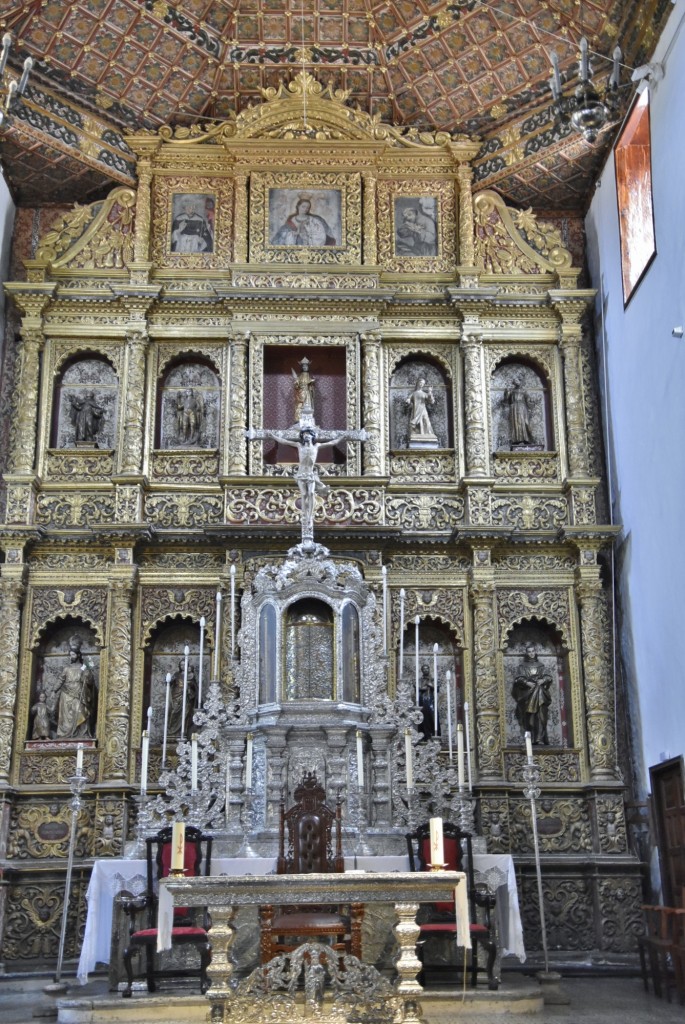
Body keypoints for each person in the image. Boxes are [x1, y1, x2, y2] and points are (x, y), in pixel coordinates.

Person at [246, 421, 367, 550]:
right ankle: (305, 516)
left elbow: (331, 443)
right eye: (305, 435)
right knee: (304, 494)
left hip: (310, 474)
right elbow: (285, 442)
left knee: (311, 494)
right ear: (302, 436)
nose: (307, 436)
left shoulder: (317, 446)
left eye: (309, 435)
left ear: (312, 436)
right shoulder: (299, 445)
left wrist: (343, 436)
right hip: (301, 474)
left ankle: (309, 515)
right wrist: (272, 436)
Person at [511, 642, 553, 745]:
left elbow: (548, 677)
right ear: (526, 653)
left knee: (541, 717)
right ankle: (532, 739)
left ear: (535, 652)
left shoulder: (541, 666)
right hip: (527, 694)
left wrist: (543, 680)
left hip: (540, 695)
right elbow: (518, 679)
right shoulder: (522, 666)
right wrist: (527, 682)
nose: (531, 653)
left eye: (533, 651)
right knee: (530, 718)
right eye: (529, 652)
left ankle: (540, 738)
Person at [55, 636, 96, 739]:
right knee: (66, 716)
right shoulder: (67, 668)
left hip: (79, 693)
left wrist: (87, 676)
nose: (71, 657)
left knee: (80, 711)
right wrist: (54, 690)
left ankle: (82, 733)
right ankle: (65, 735)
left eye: (73, 655)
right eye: (70, 655)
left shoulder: (84, 668)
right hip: (66, 693)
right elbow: (60, 680)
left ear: (78, 655)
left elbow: (90, 681)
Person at [271, 196, 336, 247]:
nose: (305, 209)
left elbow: (319, 234)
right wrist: (292, 234)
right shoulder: (291, 220)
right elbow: (282, 236)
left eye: (307, 207)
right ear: (298, 206)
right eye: (303, 206)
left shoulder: (313, 220)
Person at [168, 659, 198, 739]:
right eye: (181, 665)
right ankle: (171, 731)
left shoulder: (191, 675)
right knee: (174, 712)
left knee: (186, 713)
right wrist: (169, 681)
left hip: (187, 696)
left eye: (184, 664)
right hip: (177, 694)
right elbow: (170, 683)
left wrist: (190, 684)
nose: (183, 666)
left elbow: (195, 687)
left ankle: (182, 732)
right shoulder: (177, 674)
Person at [503, 374, 534, 446]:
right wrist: (506, 393)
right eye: (515, 381)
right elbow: (506, 401)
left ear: (521, 382)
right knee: (516, 424)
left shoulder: (524, 391)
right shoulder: (511, 391)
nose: (516, 382)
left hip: (522, 408)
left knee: (524, 423)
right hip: (514, 408)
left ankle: (526, 439)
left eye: (518, 380)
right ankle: (516, 440)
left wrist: (531, 403)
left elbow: (528, 401)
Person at [291, 357, 316, 422]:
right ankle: (298, 419)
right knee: (299, 406)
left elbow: (311, 386)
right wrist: (296, 383)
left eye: (306, 366)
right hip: (300, 393)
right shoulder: (300, 376)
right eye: (303, 366)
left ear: (308, 367)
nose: (305, 367)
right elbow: (297, 386)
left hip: (307, 393)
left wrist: (311, 383)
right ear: (302, 367)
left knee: (307, 405)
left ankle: (308, 420)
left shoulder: (309, 376)